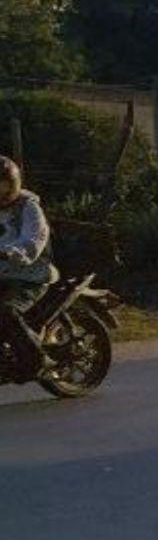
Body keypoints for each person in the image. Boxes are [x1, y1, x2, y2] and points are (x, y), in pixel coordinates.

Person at [0, 156, 55, 379]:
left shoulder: (28, 208)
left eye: (3, 186)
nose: (1, 192)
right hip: (3, 274)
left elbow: (33, 240)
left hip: (29, 276)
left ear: (13, 183)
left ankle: (35, 360)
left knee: (5, 311)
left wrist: (11, 252)